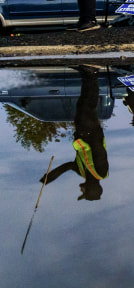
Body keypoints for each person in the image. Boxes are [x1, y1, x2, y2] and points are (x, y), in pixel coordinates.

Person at [41, 66, 108, 200]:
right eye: (83, 191)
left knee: (83, 104)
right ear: (90, 188)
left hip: (81, 133)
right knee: (87, 106)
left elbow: (67, 166)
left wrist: (47, 179)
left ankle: (88, 75)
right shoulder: (101, 173)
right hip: (91, 133)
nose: (80, 189)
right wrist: (90, 132)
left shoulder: (82, 172)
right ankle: (92, 74)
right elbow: (99, 150)